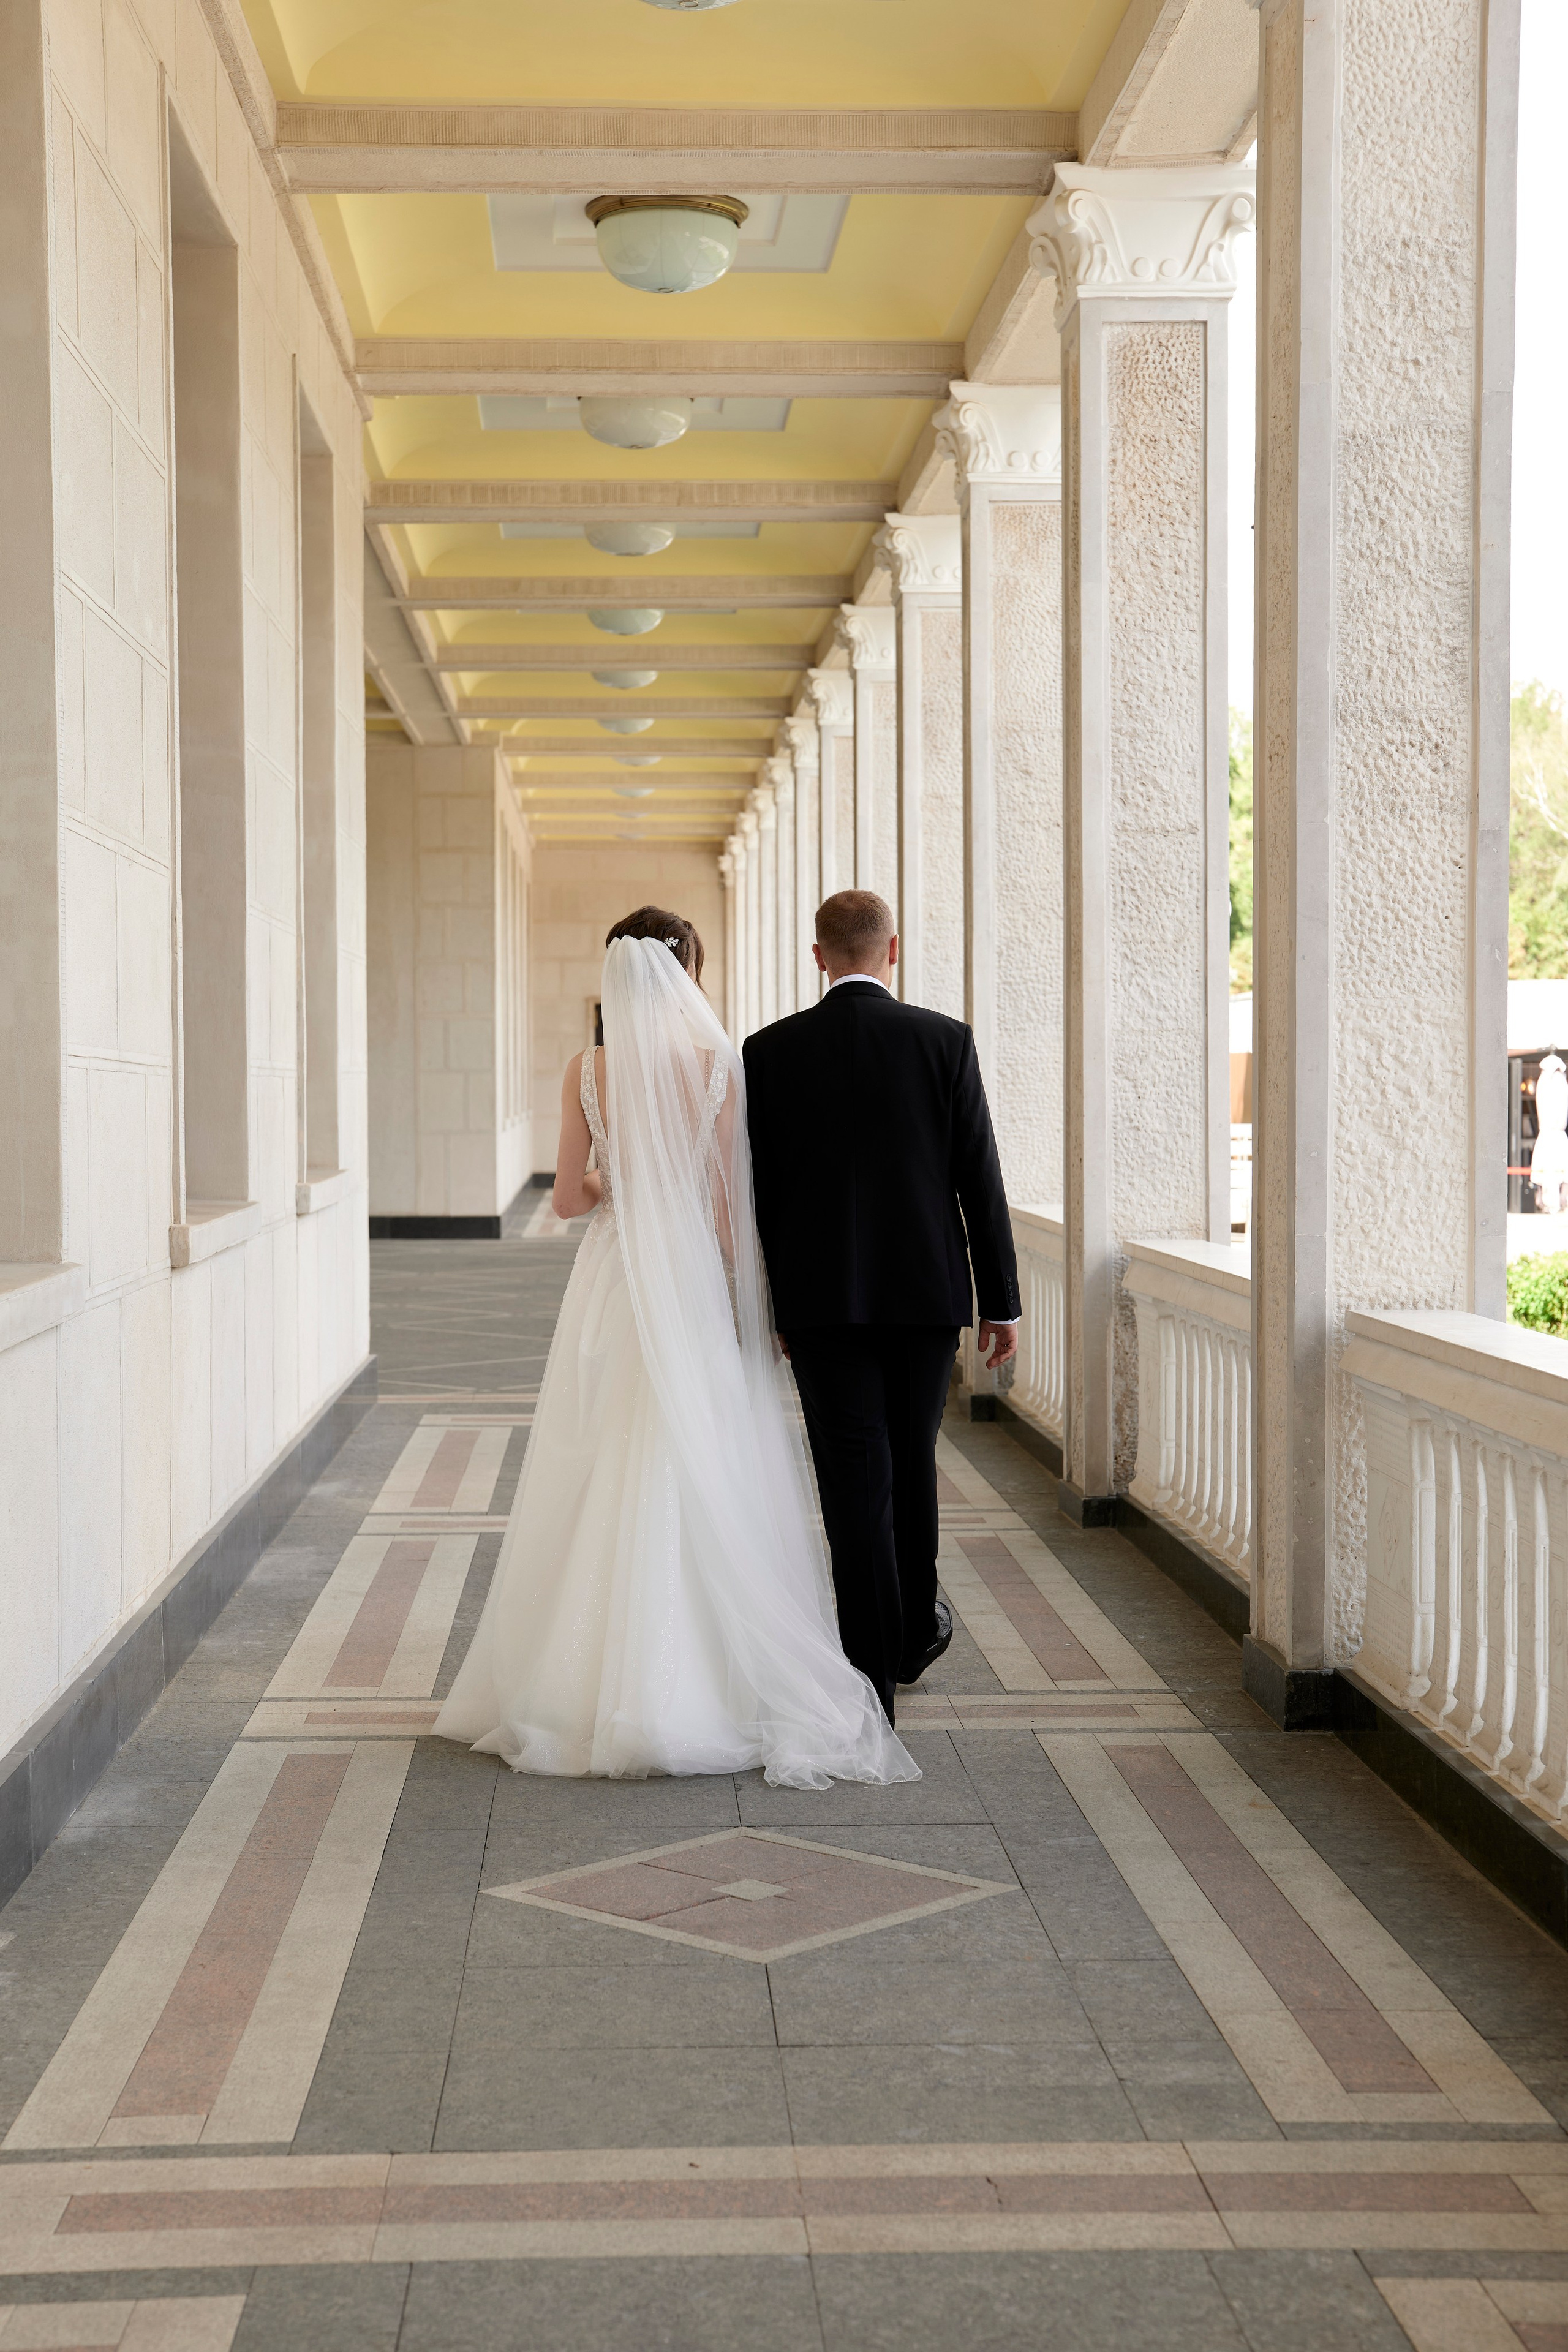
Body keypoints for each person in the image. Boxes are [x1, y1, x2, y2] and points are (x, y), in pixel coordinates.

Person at [434, 905, 918, 1790]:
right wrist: (758, 1306)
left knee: (609, 1454)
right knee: (701, 1457)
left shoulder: (591, 1069)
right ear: (691, 969)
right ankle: (709, 1678)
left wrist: (609, 1173)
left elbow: (572, 1205)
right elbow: (732, 1211)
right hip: (692, 1279)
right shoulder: (718, 1067)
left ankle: (588, 1682)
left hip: (616, 1283)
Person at [742, 891, 1020, 1725]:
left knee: (853, 1480)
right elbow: (980, 1179)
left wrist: (773, 1302)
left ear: (818, 955)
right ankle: (905, 1641)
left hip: (823, 1305)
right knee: (911, 1465)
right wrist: (999, 1303)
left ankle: (870, 1677)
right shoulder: (945, 1041)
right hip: (927, 1300)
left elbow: (763, 1193)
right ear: (890, 951)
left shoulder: (769, 1052)